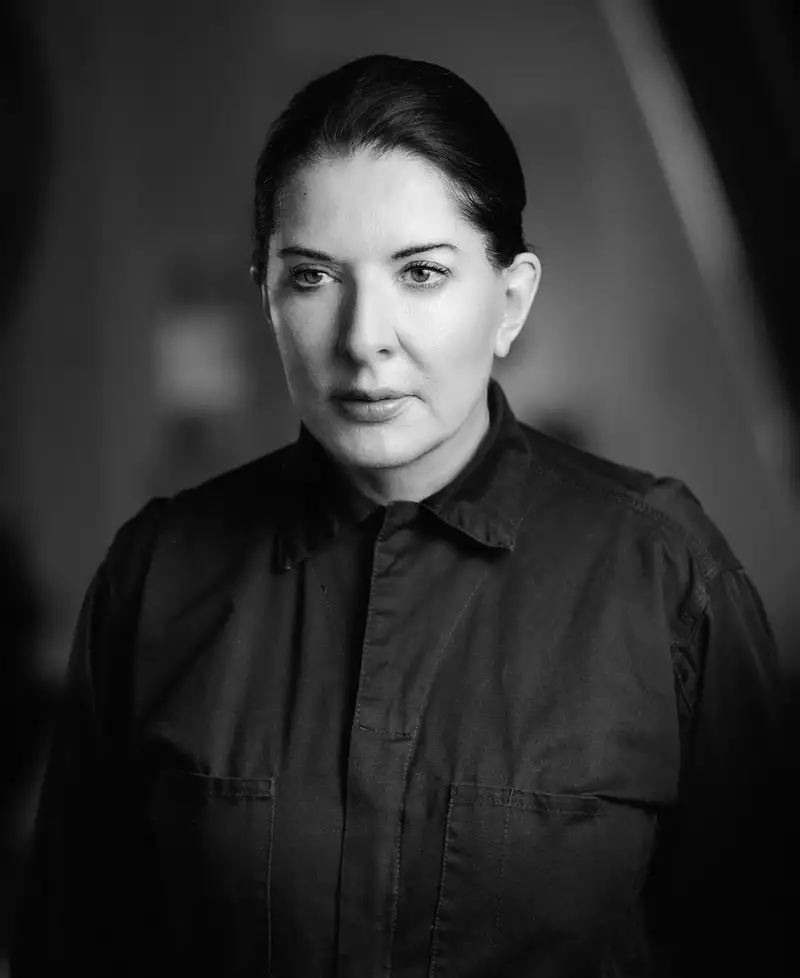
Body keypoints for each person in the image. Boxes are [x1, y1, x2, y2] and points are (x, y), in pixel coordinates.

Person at [11, 54, 782, 977]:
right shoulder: (160, 576)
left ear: (511, 300)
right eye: (313, 277)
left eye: (420, 273)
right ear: (267, 298)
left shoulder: (665, 576)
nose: (363, 338)